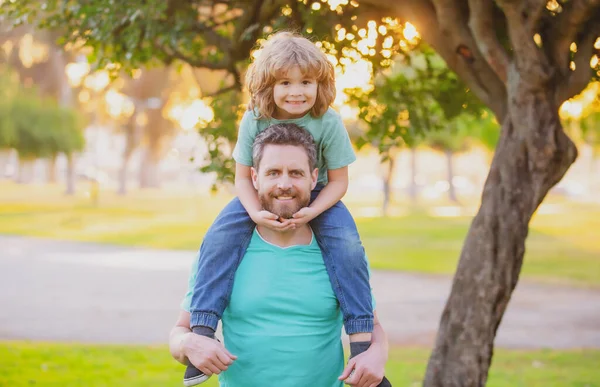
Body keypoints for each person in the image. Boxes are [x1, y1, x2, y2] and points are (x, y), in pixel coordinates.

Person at [186, 31, 377, 385]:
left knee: (348, 247)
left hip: (317, 193)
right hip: (256, 195)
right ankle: (202, 328)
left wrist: (314, 210)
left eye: (306, 81)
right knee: (217, 239)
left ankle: (362, 343)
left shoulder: (329, 121)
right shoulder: (254, 119)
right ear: (266, 86)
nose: (297, 91)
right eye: (285, 82)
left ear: (321, 84)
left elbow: (338, 181)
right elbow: (244, 179)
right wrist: (254, 213)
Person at [171, 123, 391, 387]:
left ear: (314, 178)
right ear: (254, 178)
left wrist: (378, 354)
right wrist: (188, 343)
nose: (284, 184)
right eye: (273, 173)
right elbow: (180, 330)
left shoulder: (341, 252)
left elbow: (372, 324)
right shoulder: (222, 253)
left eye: (296, 173)